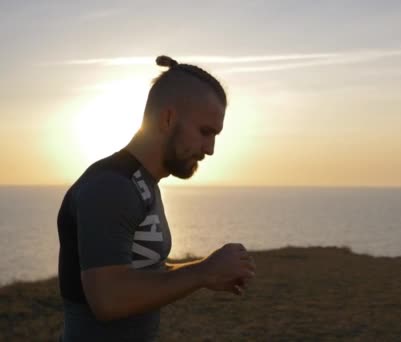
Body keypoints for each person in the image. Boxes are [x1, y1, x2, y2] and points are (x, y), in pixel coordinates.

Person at [56, 55, 256, 341]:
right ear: (168, 118)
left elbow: (145, 268)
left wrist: (209, 273)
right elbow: (108, 299)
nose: (210, 149)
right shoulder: (111, 187)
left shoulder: (144, 183)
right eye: (205, 132)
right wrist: (203, 272)